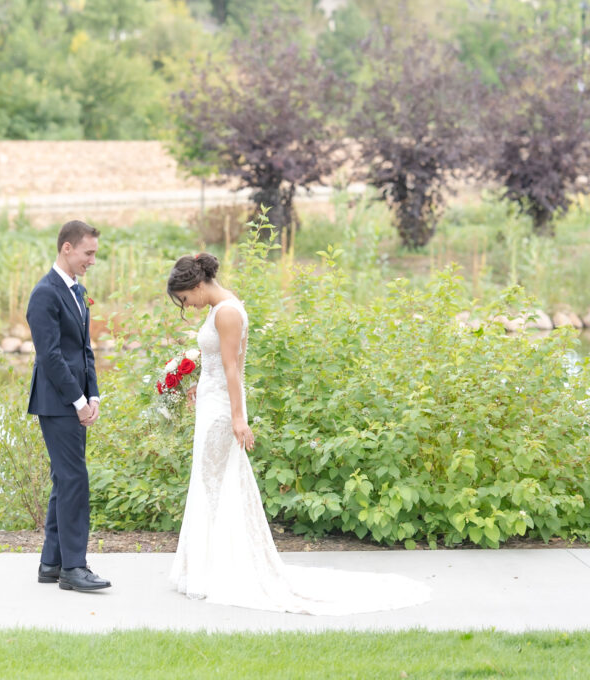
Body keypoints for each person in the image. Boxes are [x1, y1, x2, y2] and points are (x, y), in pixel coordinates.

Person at [166, 253, 430, 614]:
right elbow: (217, 363)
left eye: (185, 298)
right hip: (211, 402)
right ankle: (208, 565)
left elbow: (233, 368)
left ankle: (218, 569)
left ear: (196, 285)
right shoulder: (222, 307)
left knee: (215, 484)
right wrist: (197, 380)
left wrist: (238, 418)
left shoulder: (226, 312)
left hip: (221, 411)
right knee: (209, 482)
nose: (188, 306)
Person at [27, 220, 111, 592]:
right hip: (57, 402)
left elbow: (84, 350)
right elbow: (50, 357)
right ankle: (74, 569)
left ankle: (52, 562)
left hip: (77, 400)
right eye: (88, 253)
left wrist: (93, 395)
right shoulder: (44, 294)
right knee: (75, 480)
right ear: (67, 249)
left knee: (66, 479)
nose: (92, 260)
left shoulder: (78, 292)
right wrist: (77, 401)